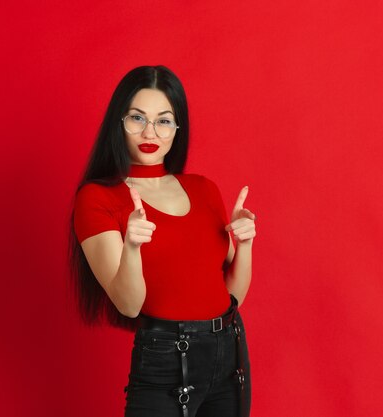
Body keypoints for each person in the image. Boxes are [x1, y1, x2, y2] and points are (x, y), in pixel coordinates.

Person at [67, 65, 255, 417]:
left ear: (177, 128)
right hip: (167, 358)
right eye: (137, 118)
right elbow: (128, 305)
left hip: (229, 354)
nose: (149, 131)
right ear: (118, 122)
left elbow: (232, 297)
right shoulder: (98, 198)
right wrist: (133, 248)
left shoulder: (204, 189)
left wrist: (245, 245)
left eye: (164, 120)